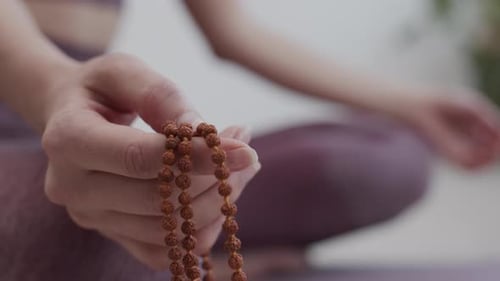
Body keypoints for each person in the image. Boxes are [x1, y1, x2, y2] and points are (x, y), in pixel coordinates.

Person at [0, 0, 499, 280]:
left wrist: (411, 103)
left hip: (69, 136)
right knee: (97, 244)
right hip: (28, 150)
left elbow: (234, 32)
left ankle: (196, 255)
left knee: (389, 158)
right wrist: (55, 92)